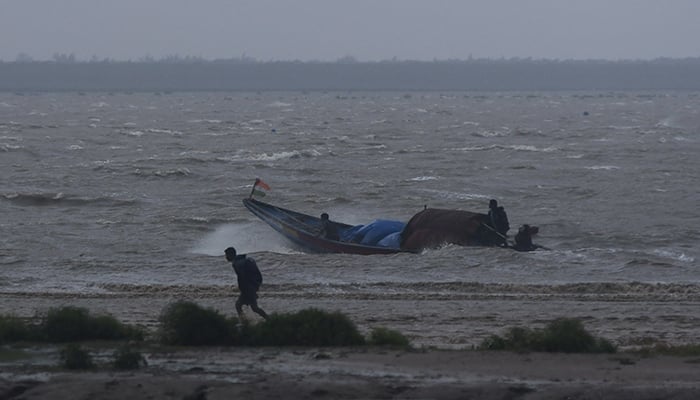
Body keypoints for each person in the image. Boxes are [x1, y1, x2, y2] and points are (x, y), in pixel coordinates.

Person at [224, 247, 268, 320]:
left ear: (230, 255)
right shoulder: (242, 260)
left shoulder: (236, 263)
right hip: (252, 286)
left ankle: (245, 322)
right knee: (248, 306)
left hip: (248, 288)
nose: (226, 257)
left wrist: (246, 291)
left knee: (250, 307)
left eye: (226, 255)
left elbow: (242, 278)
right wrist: (254, 288)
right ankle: (268, 320)